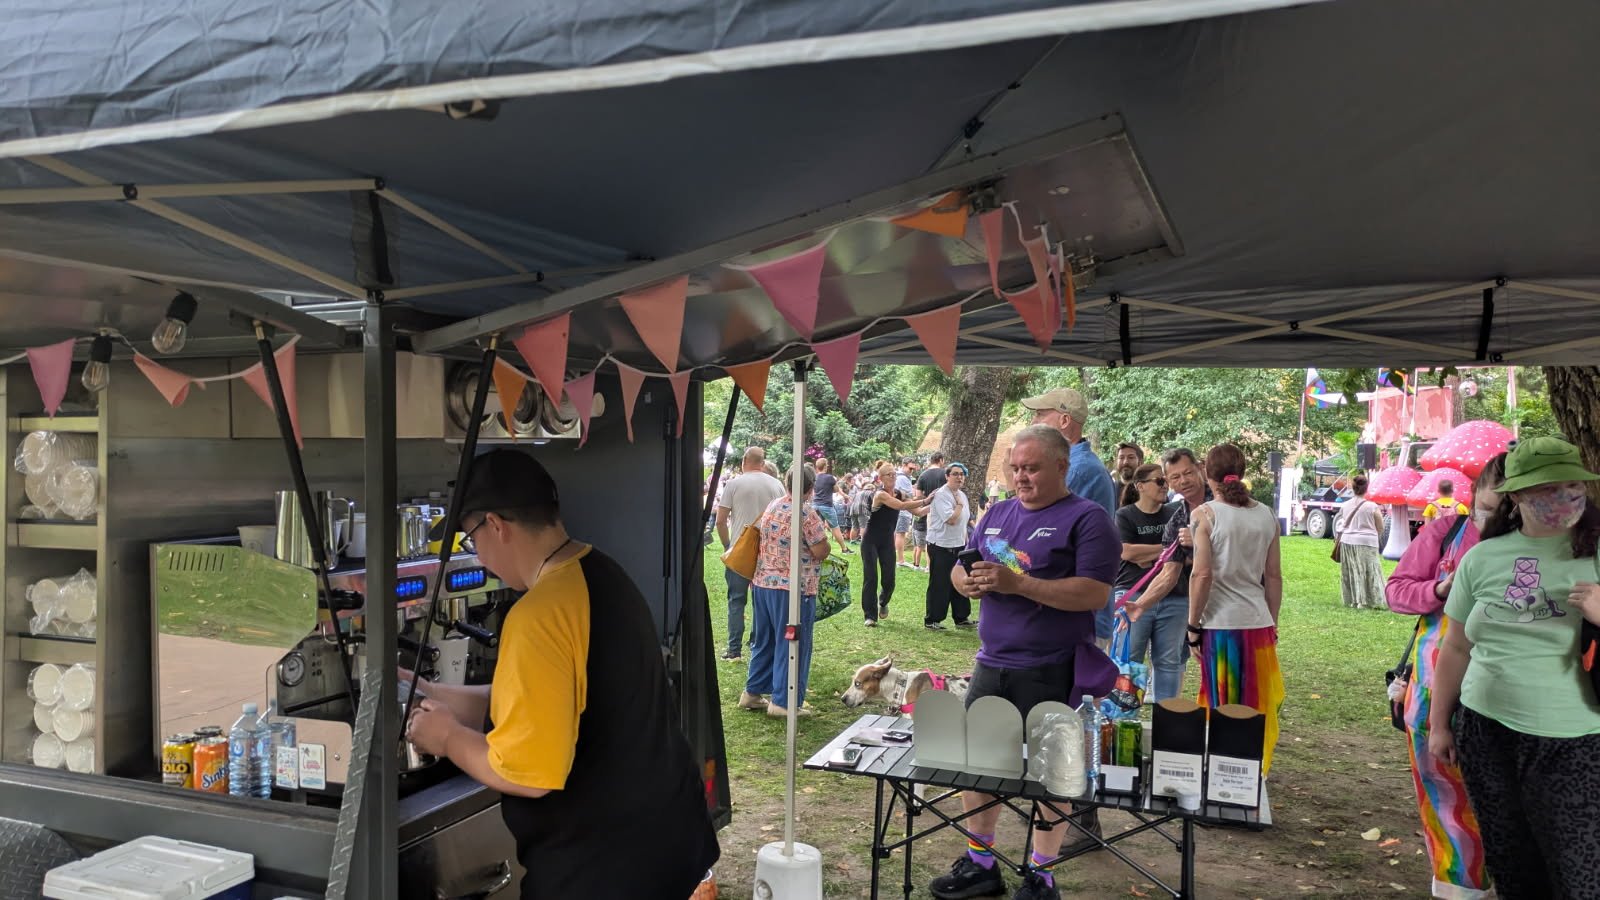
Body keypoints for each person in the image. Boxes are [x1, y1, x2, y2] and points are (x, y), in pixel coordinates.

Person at [405, 450, 718, 899]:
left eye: (471, 540)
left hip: (602, 867)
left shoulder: (538, 613)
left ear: (495, 525)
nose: (479, 557)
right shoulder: (601, 574)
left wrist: (447, 738)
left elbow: (529, 777)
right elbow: (550, 698)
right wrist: (434, 692)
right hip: (669, 841)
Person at [930, 426, 1120, 900]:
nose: (1021, 477)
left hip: (1054, 665)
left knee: (1050, 773)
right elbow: (963, 563)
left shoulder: (1088, 518)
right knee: (980, 767)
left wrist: (1022, 586)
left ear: (1061, 467)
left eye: (1031, 468)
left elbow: (1096, 593)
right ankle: (980, 862)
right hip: (991, 663)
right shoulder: (997, 512)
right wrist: (963, 583)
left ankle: (1041, 874)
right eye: (1015, 468)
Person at [1427, 436, 1600, 898]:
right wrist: (1440, 724)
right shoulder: (1483, 558)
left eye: (1574, 485)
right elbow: (1456, 647)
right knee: (1512, 859)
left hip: (1575, 737)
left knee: (1579, 871)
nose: (1567, 497)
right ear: (1518, 495)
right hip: (1486, 730)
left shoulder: (1595, 553)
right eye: (1550, 488)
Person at [1384, 455, 1504, 900]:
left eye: (1508, 506)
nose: (1495, 516)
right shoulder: (1446, 531)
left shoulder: (1538, 543)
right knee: (1445, 796)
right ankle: (1459, 886)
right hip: (1435, 686)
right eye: (1489, 506)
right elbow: (1397, 590)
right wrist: (1438, 589)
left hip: (1505, 692)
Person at [1186, 443, 1285, 773]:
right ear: (1241, 472)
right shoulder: (1267, 515)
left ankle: (1222, 774)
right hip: (1257, 622)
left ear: (1206, 473)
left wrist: (1193, 625)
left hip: (1220, 624)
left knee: (1222, 701)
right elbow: (1272, 576)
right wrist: (1272, 620)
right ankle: (1248, 772)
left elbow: (1202, 573)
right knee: (1253, 704)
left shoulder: (1205, 514)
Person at [1021, 387, 1118, 644]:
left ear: (1064, 421)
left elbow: (1034, 534)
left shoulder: (1076, 470)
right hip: (1067, 613)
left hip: (1074, 619)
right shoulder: (1080, 467)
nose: (1033, 422)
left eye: (1041, 414)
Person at [737, 463, 830, 718]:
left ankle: (752, 691)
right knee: (793, 644)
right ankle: (783, 701)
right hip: (792, 589)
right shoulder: (806, 513)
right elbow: (821, 550)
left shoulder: (774, 505)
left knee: (765, 640)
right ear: (811, 487)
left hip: (762, 583)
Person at [1126, 448, 1208, 702]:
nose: (1183, 481)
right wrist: (1140, 605)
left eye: (1188, 473)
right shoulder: (1178, 518)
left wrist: (1199, 542)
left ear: (1200, 469)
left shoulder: (1225, 504)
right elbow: (1169, 573)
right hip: (1207, 610)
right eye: (1174, 478)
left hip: (1237, 612)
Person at [715, 448, 786, 661]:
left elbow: (720, 520)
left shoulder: (734, 484)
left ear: (745, 460)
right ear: (763, 462)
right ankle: (757, 643)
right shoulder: (777, 485)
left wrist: (728, 545)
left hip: (739, 551)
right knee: (761, 603)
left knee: (736, 601)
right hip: (768, 554)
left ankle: (734, 649)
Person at [861, 463, 929, 626]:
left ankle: (883, 602)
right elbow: (901, 506)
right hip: (870, 540)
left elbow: (918, 512)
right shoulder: (880, 494)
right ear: (881, 478)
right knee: (871, 578)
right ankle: (870, 616)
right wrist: (926, 499)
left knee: (889, 579)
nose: (892, 477)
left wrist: (934, 505)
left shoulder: (900, 493)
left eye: (894, 474)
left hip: (886, 541)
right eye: (889, 475)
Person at [1113, 463, 1177, 619]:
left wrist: (1145, 556)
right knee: (1130, 644)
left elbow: (1184, 552)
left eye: (1166, 480)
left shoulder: (1174, 513)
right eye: (1159, 481)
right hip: (1132, 590)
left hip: (1172, 596)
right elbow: (1127, 552)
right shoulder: (1124, 515)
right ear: (1140, 486)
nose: (1165, 486)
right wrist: (1168, 550)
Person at [923, 461, 974, 630]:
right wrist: (959, 505)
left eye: (962, 474)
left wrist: (966, 542)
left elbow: (964, 521)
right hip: (941, 546)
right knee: (940, 584)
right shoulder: (942, 495)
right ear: (947, 476)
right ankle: (932, 620)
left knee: (960, 581)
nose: (959, 477)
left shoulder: (962, 494)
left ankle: (961, 617)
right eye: (955, 474)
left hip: (958, 546)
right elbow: (951, 520)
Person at [1336, 475, 1388, 609]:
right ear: (1366, 488)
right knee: (1368, 570)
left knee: (1352, 570)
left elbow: (1342, 521)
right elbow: (1380, 527)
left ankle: (1354, 599)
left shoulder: (1345, 505)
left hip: (1347, 541)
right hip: (1367, 541)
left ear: (1353, 488)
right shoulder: (1372, 506)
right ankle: (1366, 601)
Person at [912, 451, 947, 571]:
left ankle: (929, 565)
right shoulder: (945, 474)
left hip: (928, 510)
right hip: (944, 510)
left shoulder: (923, 475)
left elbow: (918, 495)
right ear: (941, 460)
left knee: (930, 538)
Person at [810, 457, 851, 553]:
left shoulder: (814, 478)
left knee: (816, 528)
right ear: (825, 466)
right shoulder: (830, 478)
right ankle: (844, 549)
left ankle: (815, 549)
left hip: (815, 504)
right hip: (826, 505)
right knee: (835, 527)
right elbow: (836, 490)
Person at [895, 457, 920, 568]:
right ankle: (900, 560)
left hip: (899, 510)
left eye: (913, 469)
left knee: (897, 534)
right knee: (901, 534)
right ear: (904, 465)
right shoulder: (903, 479)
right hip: (903, 510)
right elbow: (906, 496)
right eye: (910, 468)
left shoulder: (900, 477)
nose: (912, 471)